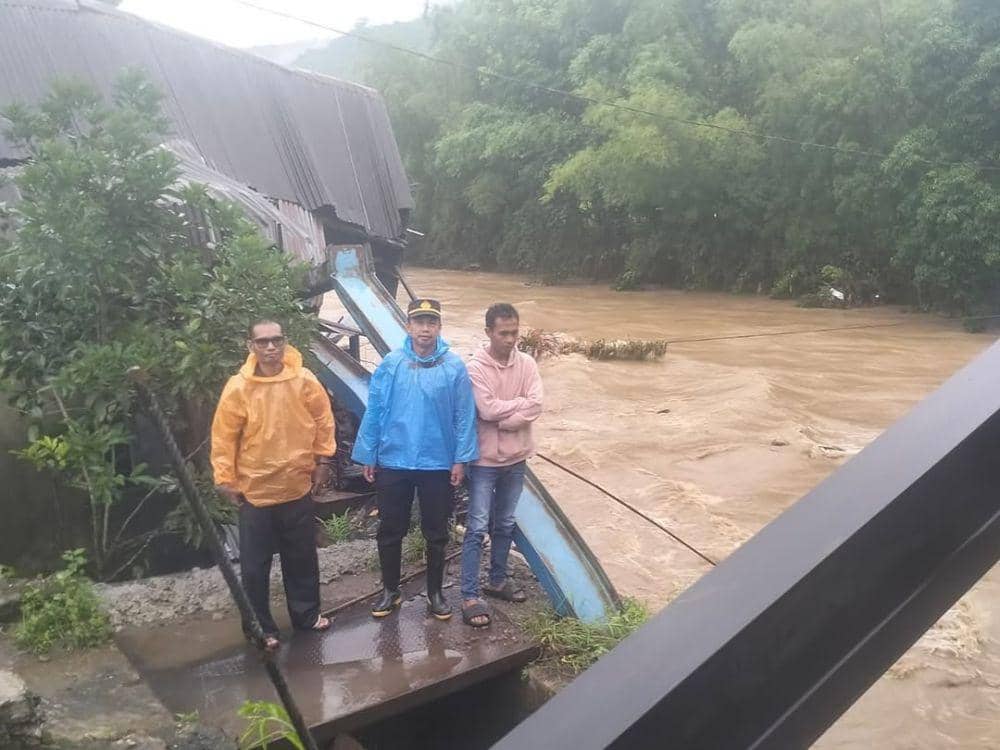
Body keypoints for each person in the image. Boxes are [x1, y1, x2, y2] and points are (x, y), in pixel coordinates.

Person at [211, 320, 336, 650]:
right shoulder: (238, 388)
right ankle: (260, 628)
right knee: (254, 568)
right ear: (251, 345)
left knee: (302, 559)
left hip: (296, 487)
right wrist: (225, 479)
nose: (270, 348)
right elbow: (224, 437)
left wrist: (323, 462)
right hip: (255, 493)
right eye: (262, 342)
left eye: (276, 341)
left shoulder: (304, 381)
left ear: (285, 342)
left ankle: (307, 616)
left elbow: (324, 422)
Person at [352, 298, 478, 620]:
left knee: (437, 531)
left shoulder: (454, 367)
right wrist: (368, 453)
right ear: (408, 326)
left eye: (431, 322)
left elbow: (464, 416)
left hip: (437, 463)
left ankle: (435, 593)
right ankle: (390, 590)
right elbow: (376, 409)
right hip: (394, 460)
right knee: (390, 528)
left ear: (439, 327)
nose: (425, 328)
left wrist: (461, 459)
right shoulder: (391, 364)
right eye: (419, 322)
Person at [460, 303, 542, 627]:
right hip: (484, 460)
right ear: (489, 333)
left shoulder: (528, 364)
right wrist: (515, 411)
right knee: (477, 526)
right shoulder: (475, 368)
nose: (510, 339)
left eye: (514, 332)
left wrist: (508, 421)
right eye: (503, 333)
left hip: (517, 457)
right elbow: (487, 409)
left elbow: (537, 403)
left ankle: (497, 580)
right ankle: (468, 593)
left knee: (505, 523)